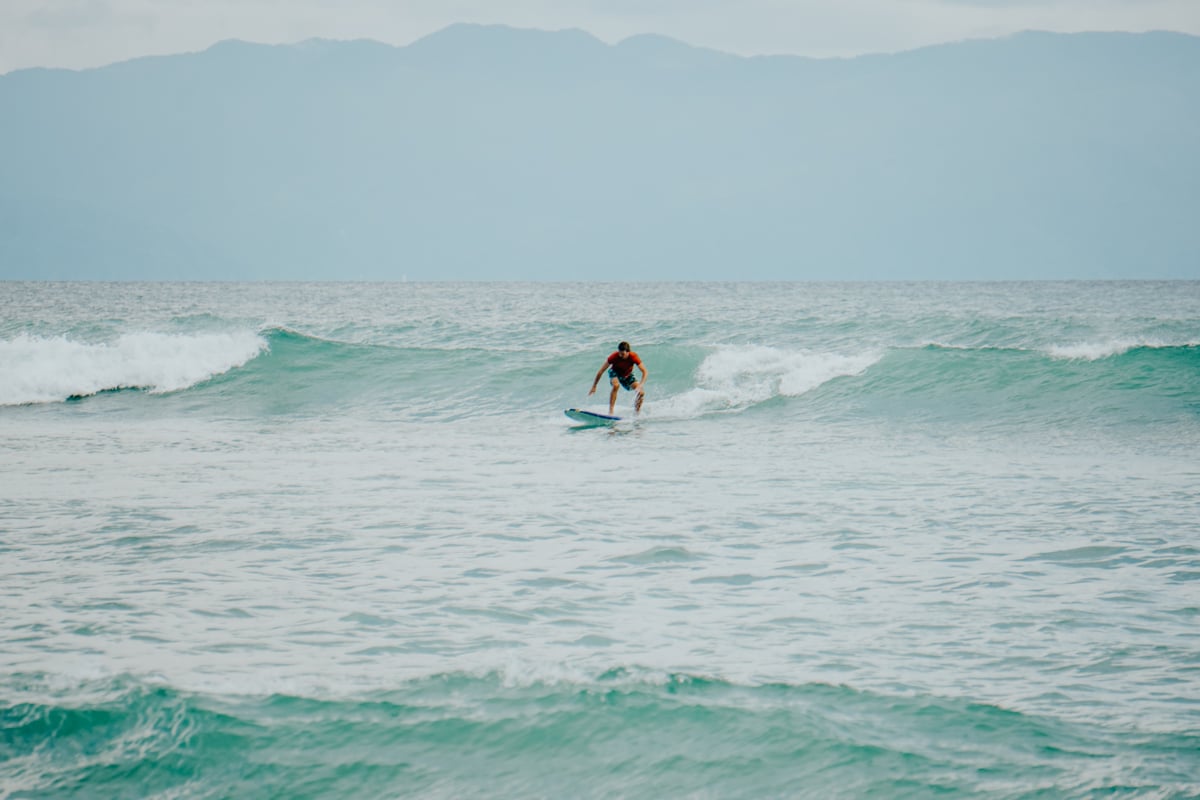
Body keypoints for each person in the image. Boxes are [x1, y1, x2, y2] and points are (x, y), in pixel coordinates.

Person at [589, 341, 647, 415]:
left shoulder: (633, 357)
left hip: (627, 375)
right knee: (616, 385)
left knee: (641, 392)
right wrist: (594, 386)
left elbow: (645, 372)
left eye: (623, 354)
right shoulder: (614, 356)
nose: (620, 355)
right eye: (619, 353)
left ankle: (636, 413)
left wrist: (640, 384)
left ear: (628, 352)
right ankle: (611, 411)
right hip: (614, 372)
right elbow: (601, 371)